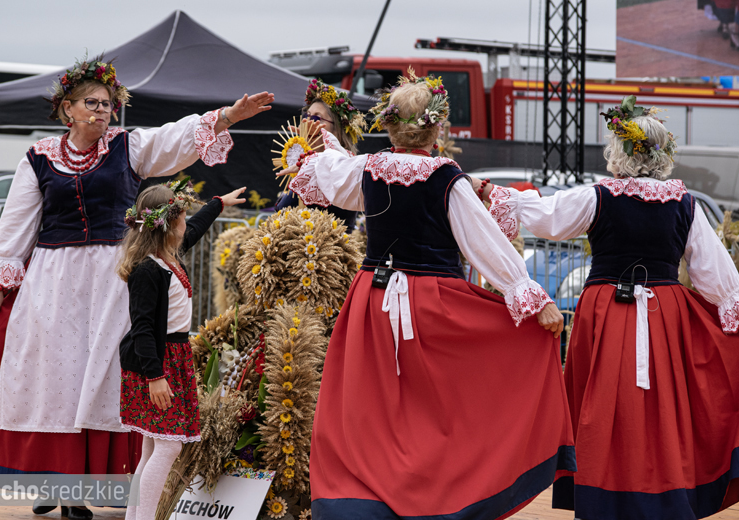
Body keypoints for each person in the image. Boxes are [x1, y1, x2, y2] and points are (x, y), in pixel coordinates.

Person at [0, 55, 273, 518]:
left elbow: (174, 139)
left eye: (108, 103)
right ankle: (52, 482)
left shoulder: (128, 147)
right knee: (54, 380)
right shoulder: (37, 157)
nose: (102, 111)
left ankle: (89, 490)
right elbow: (18, 222)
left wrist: (228, 116)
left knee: (102, 381)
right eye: (91, 103)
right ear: (67, 109)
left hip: (111, 279)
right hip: (53, 282)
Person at [284, 70, 576, 519]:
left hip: (371, 302)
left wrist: (320, 147)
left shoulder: (371, 168)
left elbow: (332, 174)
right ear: (436, 126)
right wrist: (531, 295)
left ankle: (362, 500)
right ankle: (436, 498)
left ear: (391, 125)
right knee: (436, 409)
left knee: (373, 406)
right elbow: (484, 243)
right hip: (431, 306)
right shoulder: (447, 178)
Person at [480, 96, 739, 520]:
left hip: (605, 313)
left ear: (618, 150)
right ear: (663, 153)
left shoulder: (598, 197)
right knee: (662, 409)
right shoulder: (684, 203)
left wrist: (493, 192)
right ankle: (663, 495)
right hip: (664, 315)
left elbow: (546, 216)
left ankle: (605, 500)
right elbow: (718, 279)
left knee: (602, 407)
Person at [116, 180, 245, 520]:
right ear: (168, 225)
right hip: (156, 363)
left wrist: (218, 203)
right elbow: (142, 326)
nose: (187, 224)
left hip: (173, 357)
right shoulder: (148, 269)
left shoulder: (169, 254)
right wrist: (155, 376)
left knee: (152, 444)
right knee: (169, 444)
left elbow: (196, 230)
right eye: (182, 218)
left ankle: (135, 516)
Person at [273, 78, 366, 232]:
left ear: (336, 130)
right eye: (306, 116)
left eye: (316, 118)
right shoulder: (306, 163)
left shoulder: (344, 165)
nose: (308, 123)